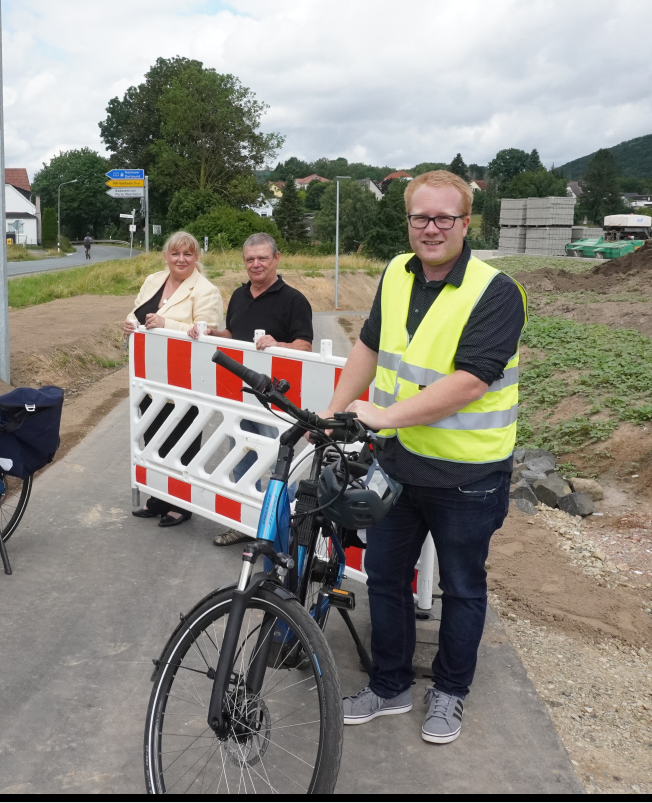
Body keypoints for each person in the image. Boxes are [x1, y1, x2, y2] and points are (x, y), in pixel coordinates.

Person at [315, 170, 526, 745]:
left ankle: (450, 693)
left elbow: (470, 382)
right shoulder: (395, 273)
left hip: (468, 475)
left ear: (465, 223)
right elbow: (369, 344)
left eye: (443, 218)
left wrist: (379, 417)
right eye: (420, 218)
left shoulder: (496, 291)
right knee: (384, 577)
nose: (430, 229)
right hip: (400, 464)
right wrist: (336, 411)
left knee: (462, 587)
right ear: (407, 220)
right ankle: (389, 686)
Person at [189, 232, 314, 546]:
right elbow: (233, 333)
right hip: (240, 393)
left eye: (262, 258)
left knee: (274, 458)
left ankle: (285, 524)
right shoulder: (239, 296)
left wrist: (279, 345)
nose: (256, 264)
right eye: (250, 259)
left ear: (276, 259)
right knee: (241, 453)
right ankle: (248, 521)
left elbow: (305, 345)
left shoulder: (294, 300)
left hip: (274, 397)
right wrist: (213, 333)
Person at [123, 230, 224, 527]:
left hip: (185, 379)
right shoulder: (154, 280)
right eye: (175, 254)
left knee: (183, 441)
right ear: (166, 256)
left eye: (188, 254)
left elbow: (206, 333)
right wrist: (129, 324)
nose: (181, 259)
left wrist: (167, 324)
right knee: (154, 437)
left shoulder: (206, 290)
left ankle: (181, 504)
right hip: (150, 376)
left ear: (196, 258)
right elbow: (136, 311)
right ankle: (158, 498)